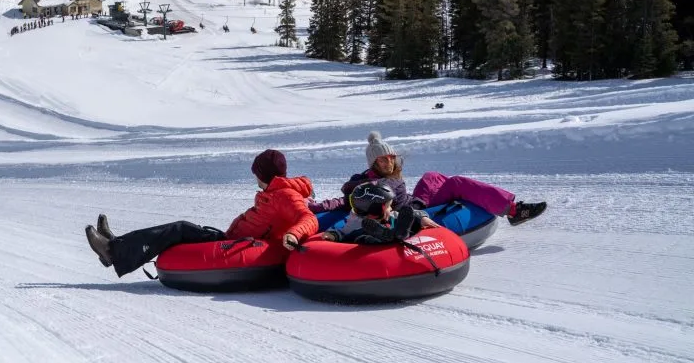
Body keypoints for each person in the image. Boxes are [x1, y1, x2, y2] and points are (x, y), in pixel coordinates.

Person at [85, 149, 318, 277]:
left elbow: (308, 218)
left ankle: (113, 252)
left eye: (256, 172)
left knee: (179, 228)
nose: (254, 177)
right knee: (183, 230)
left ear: (264, 174)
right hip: (235, 240)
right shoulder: (275, 191)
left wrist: (294, 234)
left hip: (241, 245)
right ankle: (116, 243)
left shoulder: (286, 195)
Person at [308, 131, 547, 226]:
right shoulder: (370, 184)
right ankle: (514, 210)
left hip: (415, 201)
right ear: (374, 163)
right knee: (457, 183)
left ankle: (508, 206)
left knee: (432, 176)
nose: (389, 162)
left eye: (391, 157)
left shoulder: (386, 176)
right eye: (383, 160)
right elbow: (343, 201)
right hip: (409, 211)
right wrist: (315, 207)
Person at [319, 183, 439, 244]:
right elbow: (341, 233)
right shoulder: (354, 223)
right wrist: (332, 235)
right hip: (369, 247)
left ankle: (399, 235)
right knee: (363, 238)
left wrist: (421, 217)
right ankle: (386, 237)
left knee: (406, 220)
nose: (391, 208)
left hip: (396, 238)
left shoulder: (390, 215)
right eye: (388, 205)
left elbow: (407, 214)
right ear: (377, 208)